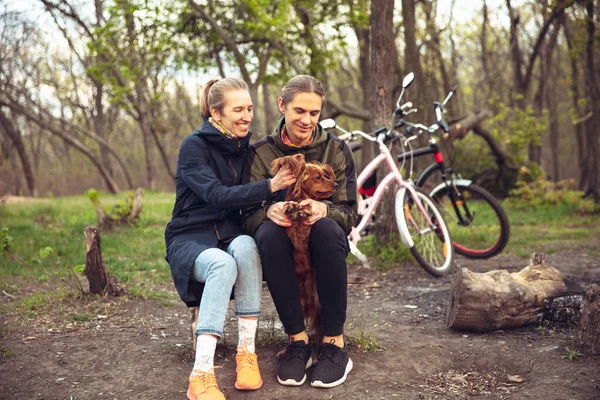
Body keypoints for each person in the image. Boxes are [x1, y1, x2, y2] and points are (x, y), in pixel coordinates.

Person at [165, 77, 296, 400]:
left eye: (249, 108)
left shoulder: (246, 150)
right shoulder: (193, 146)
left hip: (230, 234)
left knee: (247, 246)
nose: (246, 116)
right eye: (238, 109)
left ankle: (246, 353)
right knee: (223, 265)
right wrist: (269, 186)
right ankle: (201, 374)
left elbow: (251, 201)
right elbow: (216, 195)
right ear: (215, 113)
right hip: (190, 237)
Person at [242, 75, 357, 388]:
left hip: (323, 242)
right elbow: (246, 212)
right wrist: (267, 211)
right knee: (267, 234)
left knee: (326, 229)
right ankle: (298, 341)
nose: (307, 120)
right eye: (299, 111)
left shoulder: (336, 149)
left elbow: (349, 212)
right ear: (282, 106)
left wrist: (325, 210)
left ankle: (334, 345)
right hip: (281, 243)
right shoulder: (261, 153)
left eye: (314, 113)